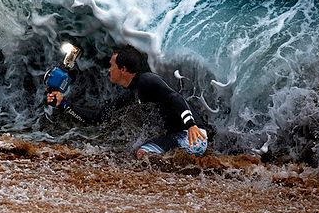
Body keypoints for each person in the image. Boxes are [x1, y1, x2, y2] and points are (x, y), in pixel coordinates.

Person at [45, 45, 208, 157]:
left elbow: (175, 97)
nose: (109, 70)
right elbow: (99, 117)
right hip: (182, 137)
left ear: (123, 69)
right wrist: (64, 103)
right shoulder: (131, 93)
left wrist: (191, 125)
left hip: (192, 136)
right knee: (139, 155)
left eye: (112, 65)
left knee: (142, 154)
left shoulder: (147, 80)